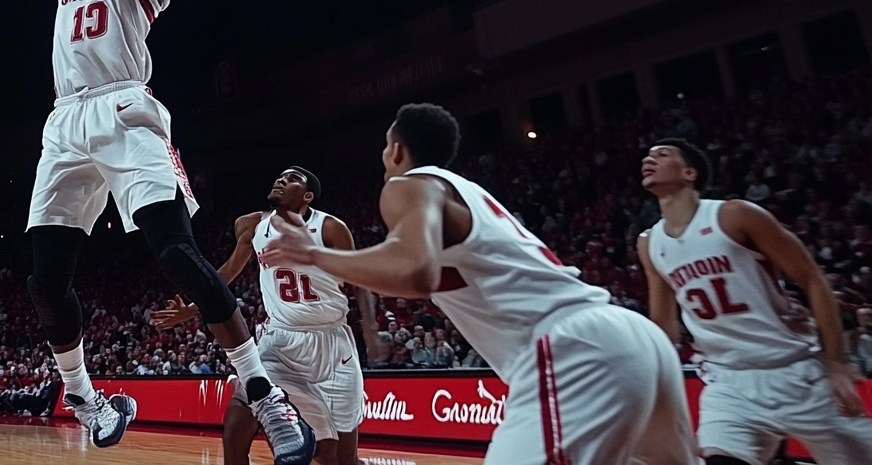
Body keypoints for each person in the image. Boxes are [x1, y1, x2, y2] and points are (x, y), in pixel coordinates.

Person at [0, 0, 314, 465]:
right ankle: (89, 399)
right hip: (66, 119)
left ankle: (263, 393)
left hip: (127, 112)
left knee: (175, 253)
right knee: (45, 280)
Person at [262, 103, 697, 465]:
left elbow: (417, 271)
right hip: (634, 339)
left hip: (572, 350)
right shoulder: (465, 191)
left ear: (396, 150)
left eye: (384, 148)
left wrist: (315, 255)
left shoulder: (406, 186)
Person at [640, 138, 872, 465]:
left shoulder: (735, 215)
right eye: (647, 157)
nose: (648, 161)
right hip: (727, 380)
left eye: (661, 155)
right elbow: (664, 326)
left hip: (794, 371)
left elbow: (812, 279)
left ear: (689, 173)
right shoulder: (649, 243)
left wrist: (836, 361)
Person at [153, 167, 378, 465]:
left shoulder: (330, 228)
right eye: (280, 176)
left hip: (332, 344)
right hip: (279, 339)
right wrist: (192, 310)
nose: (281, 180)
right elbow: (226, 274)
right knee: (239, 418)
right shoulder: (252, 226)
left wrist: (371, 327)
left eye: (292, 179)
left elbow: (360, 281)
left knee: (338, 458)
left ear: (307, 196)